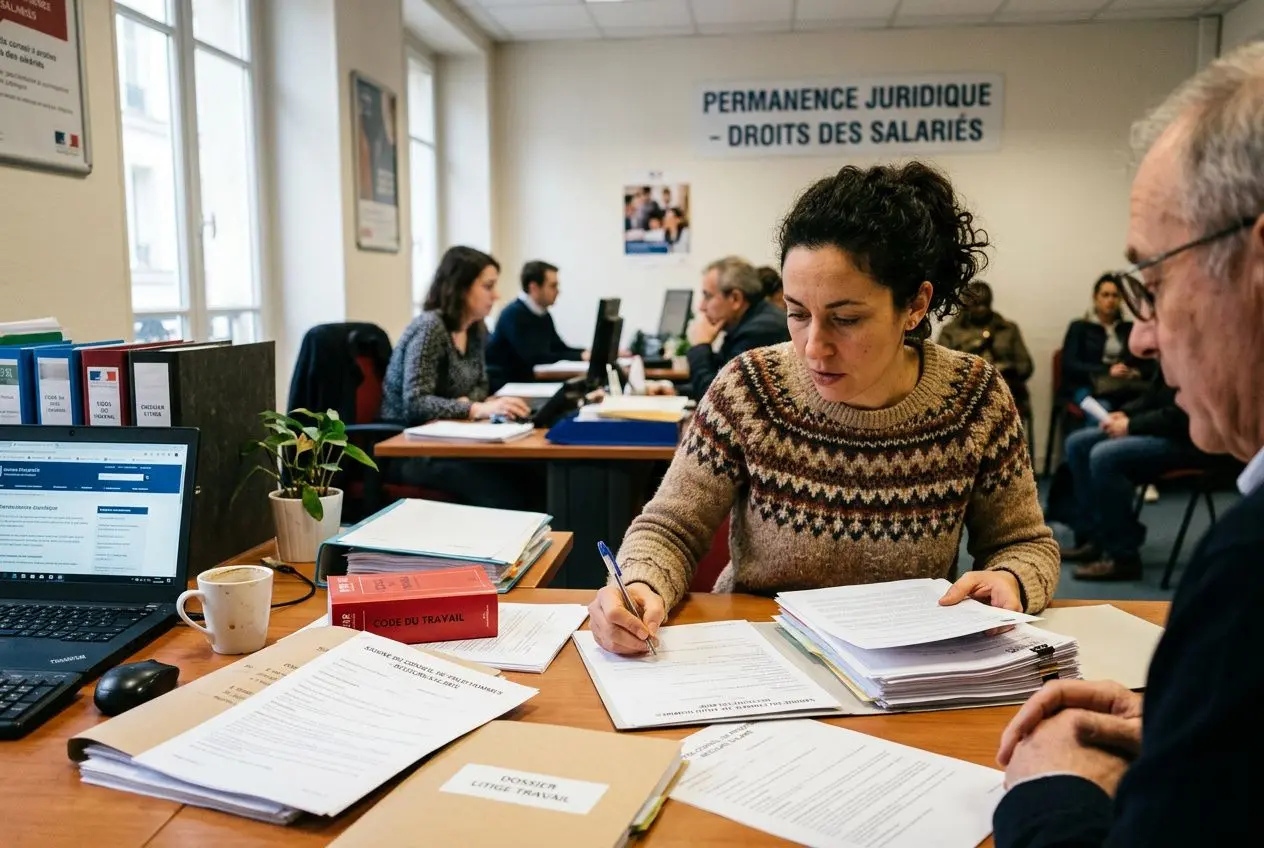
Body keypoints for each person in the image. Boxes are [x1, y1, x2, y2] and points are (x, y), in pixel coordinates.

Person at [587, 162, 1060, 655]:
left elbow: (1025, 543)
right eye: (797, 313)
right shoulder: (749, 389)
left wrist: (1012, 578)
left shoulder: (975, 399)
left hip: (904, 668)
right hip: (759, 660)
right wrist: (640, 584)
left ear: (916, 306)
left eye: (847, 318)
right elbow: (670, 527)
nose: (814, 347)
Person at [992, 43, 1264, 847]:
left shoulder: (1250, 570)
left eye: (1156, 281)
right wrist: (1195, 724)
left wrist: (1052, 792)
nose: (1143, 336)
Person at [380, 246, 540, 510]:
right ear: (462, 287)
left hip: (452, 442)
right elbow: (416, 403)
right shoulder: (430, 328)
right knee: (501, 490)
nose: (496, 295)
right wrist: (472, 407)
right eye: (488, 286)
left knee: (530, 474)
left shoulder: (475, 328)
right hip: (409, 451)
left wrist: (467, 405)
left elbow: (480, 386)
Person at [1058, 372, 1206, 580]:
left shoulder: (1200, 357)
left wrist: (1132, 425)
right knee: (1078, 443)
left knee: (1105, 457)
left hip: (1192, 439)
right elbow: (1154, 396)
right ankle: (1096, 538)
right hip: (1163, 428)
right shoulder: (1173, 354)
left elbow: (1182, 415)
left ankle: (1123, 556)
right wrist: (1126, 413)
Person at [684, 256, 791, 399]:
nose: (701, 307)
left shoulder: (759, 331)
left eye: (708, 296)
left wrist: (700, 346)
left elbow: (718, 399)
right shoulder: (747, 323)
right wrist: (674, 391)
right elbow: (718, 378)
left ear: (735, 299)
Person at [937, 281, 1033, 419]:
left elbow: (1026, 366)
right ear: (966, 306)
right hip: (962, 395)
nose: (981, 309)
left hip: (1004, 393)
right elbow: (940, 368)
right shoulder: (951, 332)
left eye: (985, 304)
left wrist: (1007, 368)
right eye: (976, 305)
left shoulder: (1007, 329)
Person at [485, 260, 585, 390]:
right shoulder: (514, 314)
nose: (558, 291)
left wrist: (586, 353)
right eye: (553, 286)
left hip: (527, 381)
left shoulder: (544, 315)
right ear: (534, 288)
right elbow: (536, 358)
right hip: (508, 385)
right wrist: (580, 356)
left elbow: (558, 348)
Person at [1059, 276, 1148, 408]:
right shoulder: (1080, 327)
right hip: (1087, 386)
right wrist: (1107, 370)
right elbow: (1070, 364)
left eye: (1115, 296)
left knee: (1145, 408)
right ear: (1096, 298)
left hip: (1123, 387)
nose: (1110, 300)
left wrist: (1135, 372)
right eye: (1105, 295)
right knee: (1103, 411)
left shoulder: (1128, 328)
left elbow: (1146, 361)